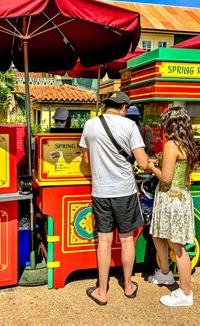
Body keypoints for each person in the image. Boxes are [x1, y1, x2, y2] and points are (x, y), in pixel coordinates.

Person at [79, 92, 150, 306]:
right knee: (127, 239)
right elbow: (143, 162)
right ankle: (128, 286)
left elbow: (85, 158)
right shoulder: (129, 126)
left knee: (104, 240)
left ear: (107, 105)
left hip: (101, 191)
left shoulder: (90, 125)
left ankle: (102, 291)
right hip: (125, 191)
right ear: (124, 107)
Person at [147, 107, 199, 307]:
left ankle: (185, 293)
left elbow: (167, 178)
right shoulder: (187, 144)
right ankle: (166, 274)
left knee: (178, 247)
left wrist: (152, 167)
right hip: (178, 198)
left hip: (171, 198)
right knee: (158, 234)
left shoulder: (171, 145)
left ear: (170, 124)